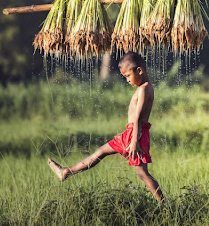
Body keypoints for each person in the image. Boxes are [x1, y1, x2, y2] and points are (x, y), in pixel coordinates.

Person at [47, 52, 165, 204]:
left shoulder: (144, 89)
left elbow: (137, 118)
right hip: (133, 133)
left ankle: (164, 205)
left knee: (141, 172)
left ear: (140, 71)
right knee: (106, 154)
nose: (127, 80)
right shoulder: (146, 87)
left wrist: (134, 140)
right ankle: (66, 172)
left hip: (136, 134)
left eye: (128, 76)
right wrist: (129, 133)